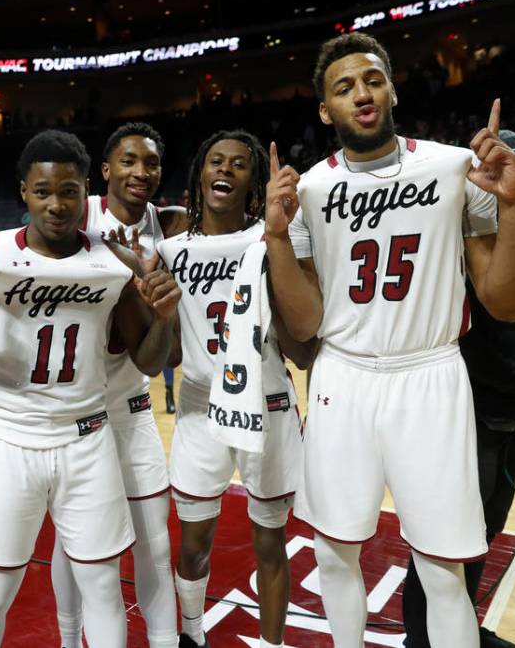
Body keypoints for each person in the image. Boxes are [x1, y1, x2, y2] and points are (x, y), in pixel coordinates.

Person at [265, 32, 515, 647]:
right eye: (343, 86)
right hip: (343, 376)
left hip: (430, 374)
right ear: (324, 110)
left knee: (443, 567)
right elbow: (303, 325)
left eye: (373, 79)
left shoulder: (451, 166)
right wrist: (279, 240)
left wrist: (514, 207)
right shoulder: (304, 191)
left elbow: (505, 299)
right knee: (334, 552)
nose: (361, 93)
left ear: (391, 88)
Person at [0, 129, 181, 648]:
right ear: (23, 191)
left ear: (85, 191)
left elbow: (149, 358)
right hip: (10, 437)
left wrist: (164, 318)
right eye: (43, 191)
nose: (56, 204)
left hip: (88, 438)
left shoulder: (116, 261)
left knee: (103, 588)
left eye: (68, 191)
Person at [400, 131, 515, 648]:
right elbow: (470, 348)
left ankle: (462, 627)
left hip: (508, 421)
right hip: (464, 420)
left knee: (483, 532)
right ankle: (420, 637)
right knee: (444, 540)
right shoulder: (460, 248)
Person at [156, 130, 313, 648]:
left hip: (266, 404)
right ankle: (191, 634)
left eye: (239, 164)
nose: (225, 169)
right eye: (215, 160)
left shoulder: (269, 238)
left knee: (271, 545)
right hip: (200, 409)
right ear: (200, 171)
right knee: (194, 541)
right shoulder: (169, 250)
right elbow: (171, 351)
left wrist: (280, 238)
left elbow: (301, 342)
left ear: (253, 180)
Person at [50, 120, 185, 648]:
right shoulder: (71, 216)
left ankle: (167, 640)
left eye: (150, 162)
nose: (140, 171)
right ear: (104, 171)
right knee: (74, 545)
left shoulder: (171, 224)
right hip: (75, 411)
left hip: (131, 404)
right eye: (128, 161)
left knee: (154, 542)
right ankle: (68, 640)